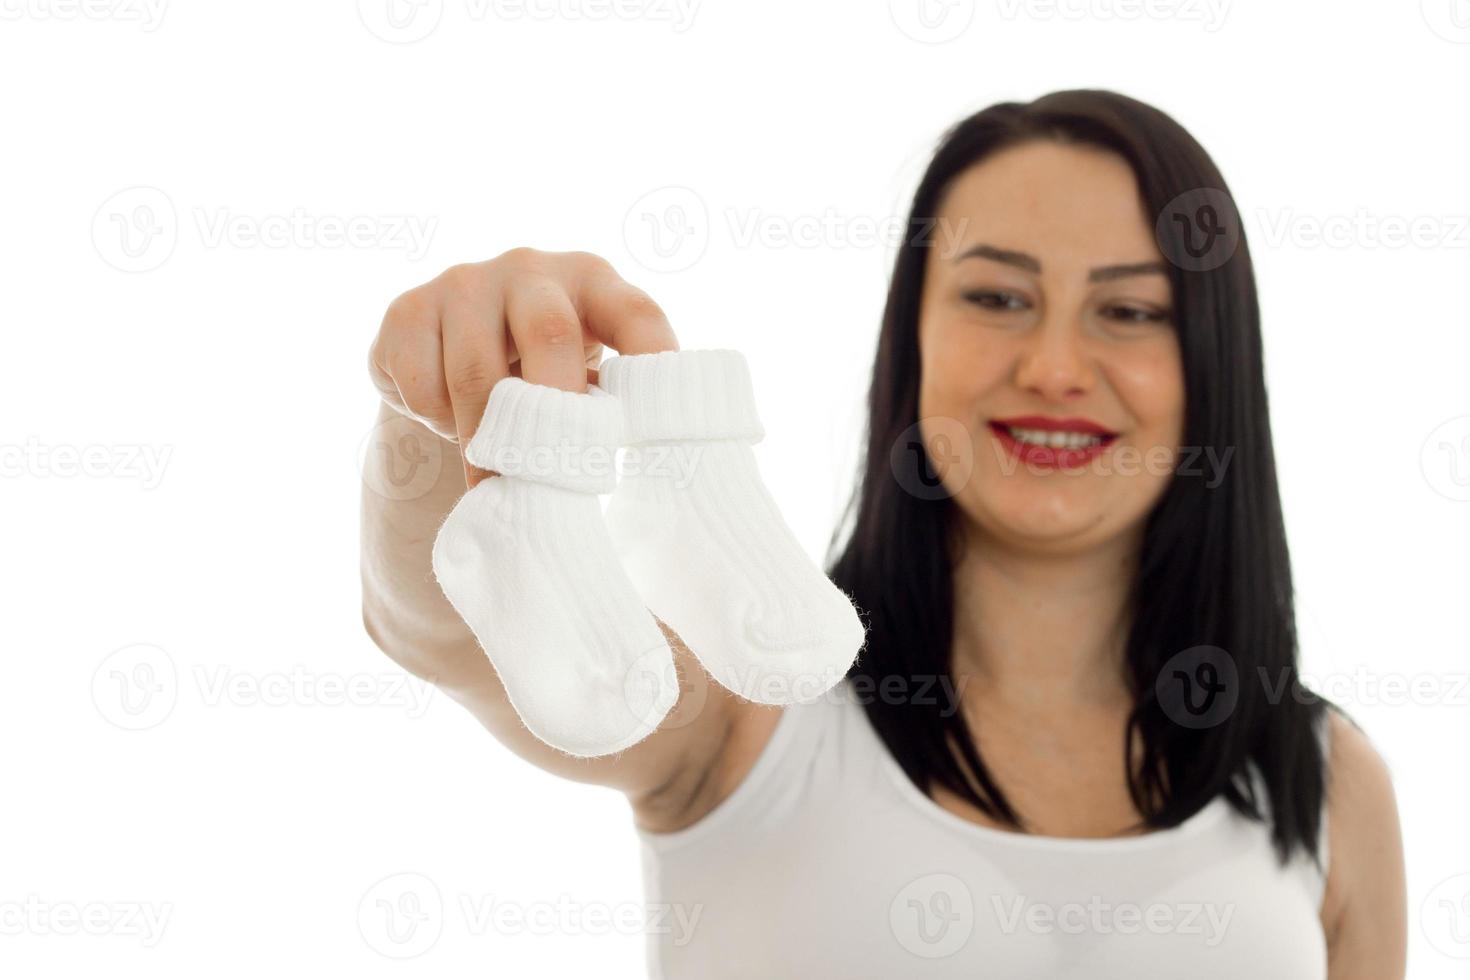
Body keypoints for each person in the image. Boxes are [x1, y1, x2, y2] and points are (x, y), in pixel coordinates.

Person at [360, 89, 1405, 978]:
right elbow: (438, 622)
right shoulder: (749, 701)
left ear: (1215, 363)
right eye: (997, 295)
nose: (1053, 366)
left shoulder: (1327, 780)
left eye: (1130, 312)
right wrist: (430, 408)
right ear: (913, 339)